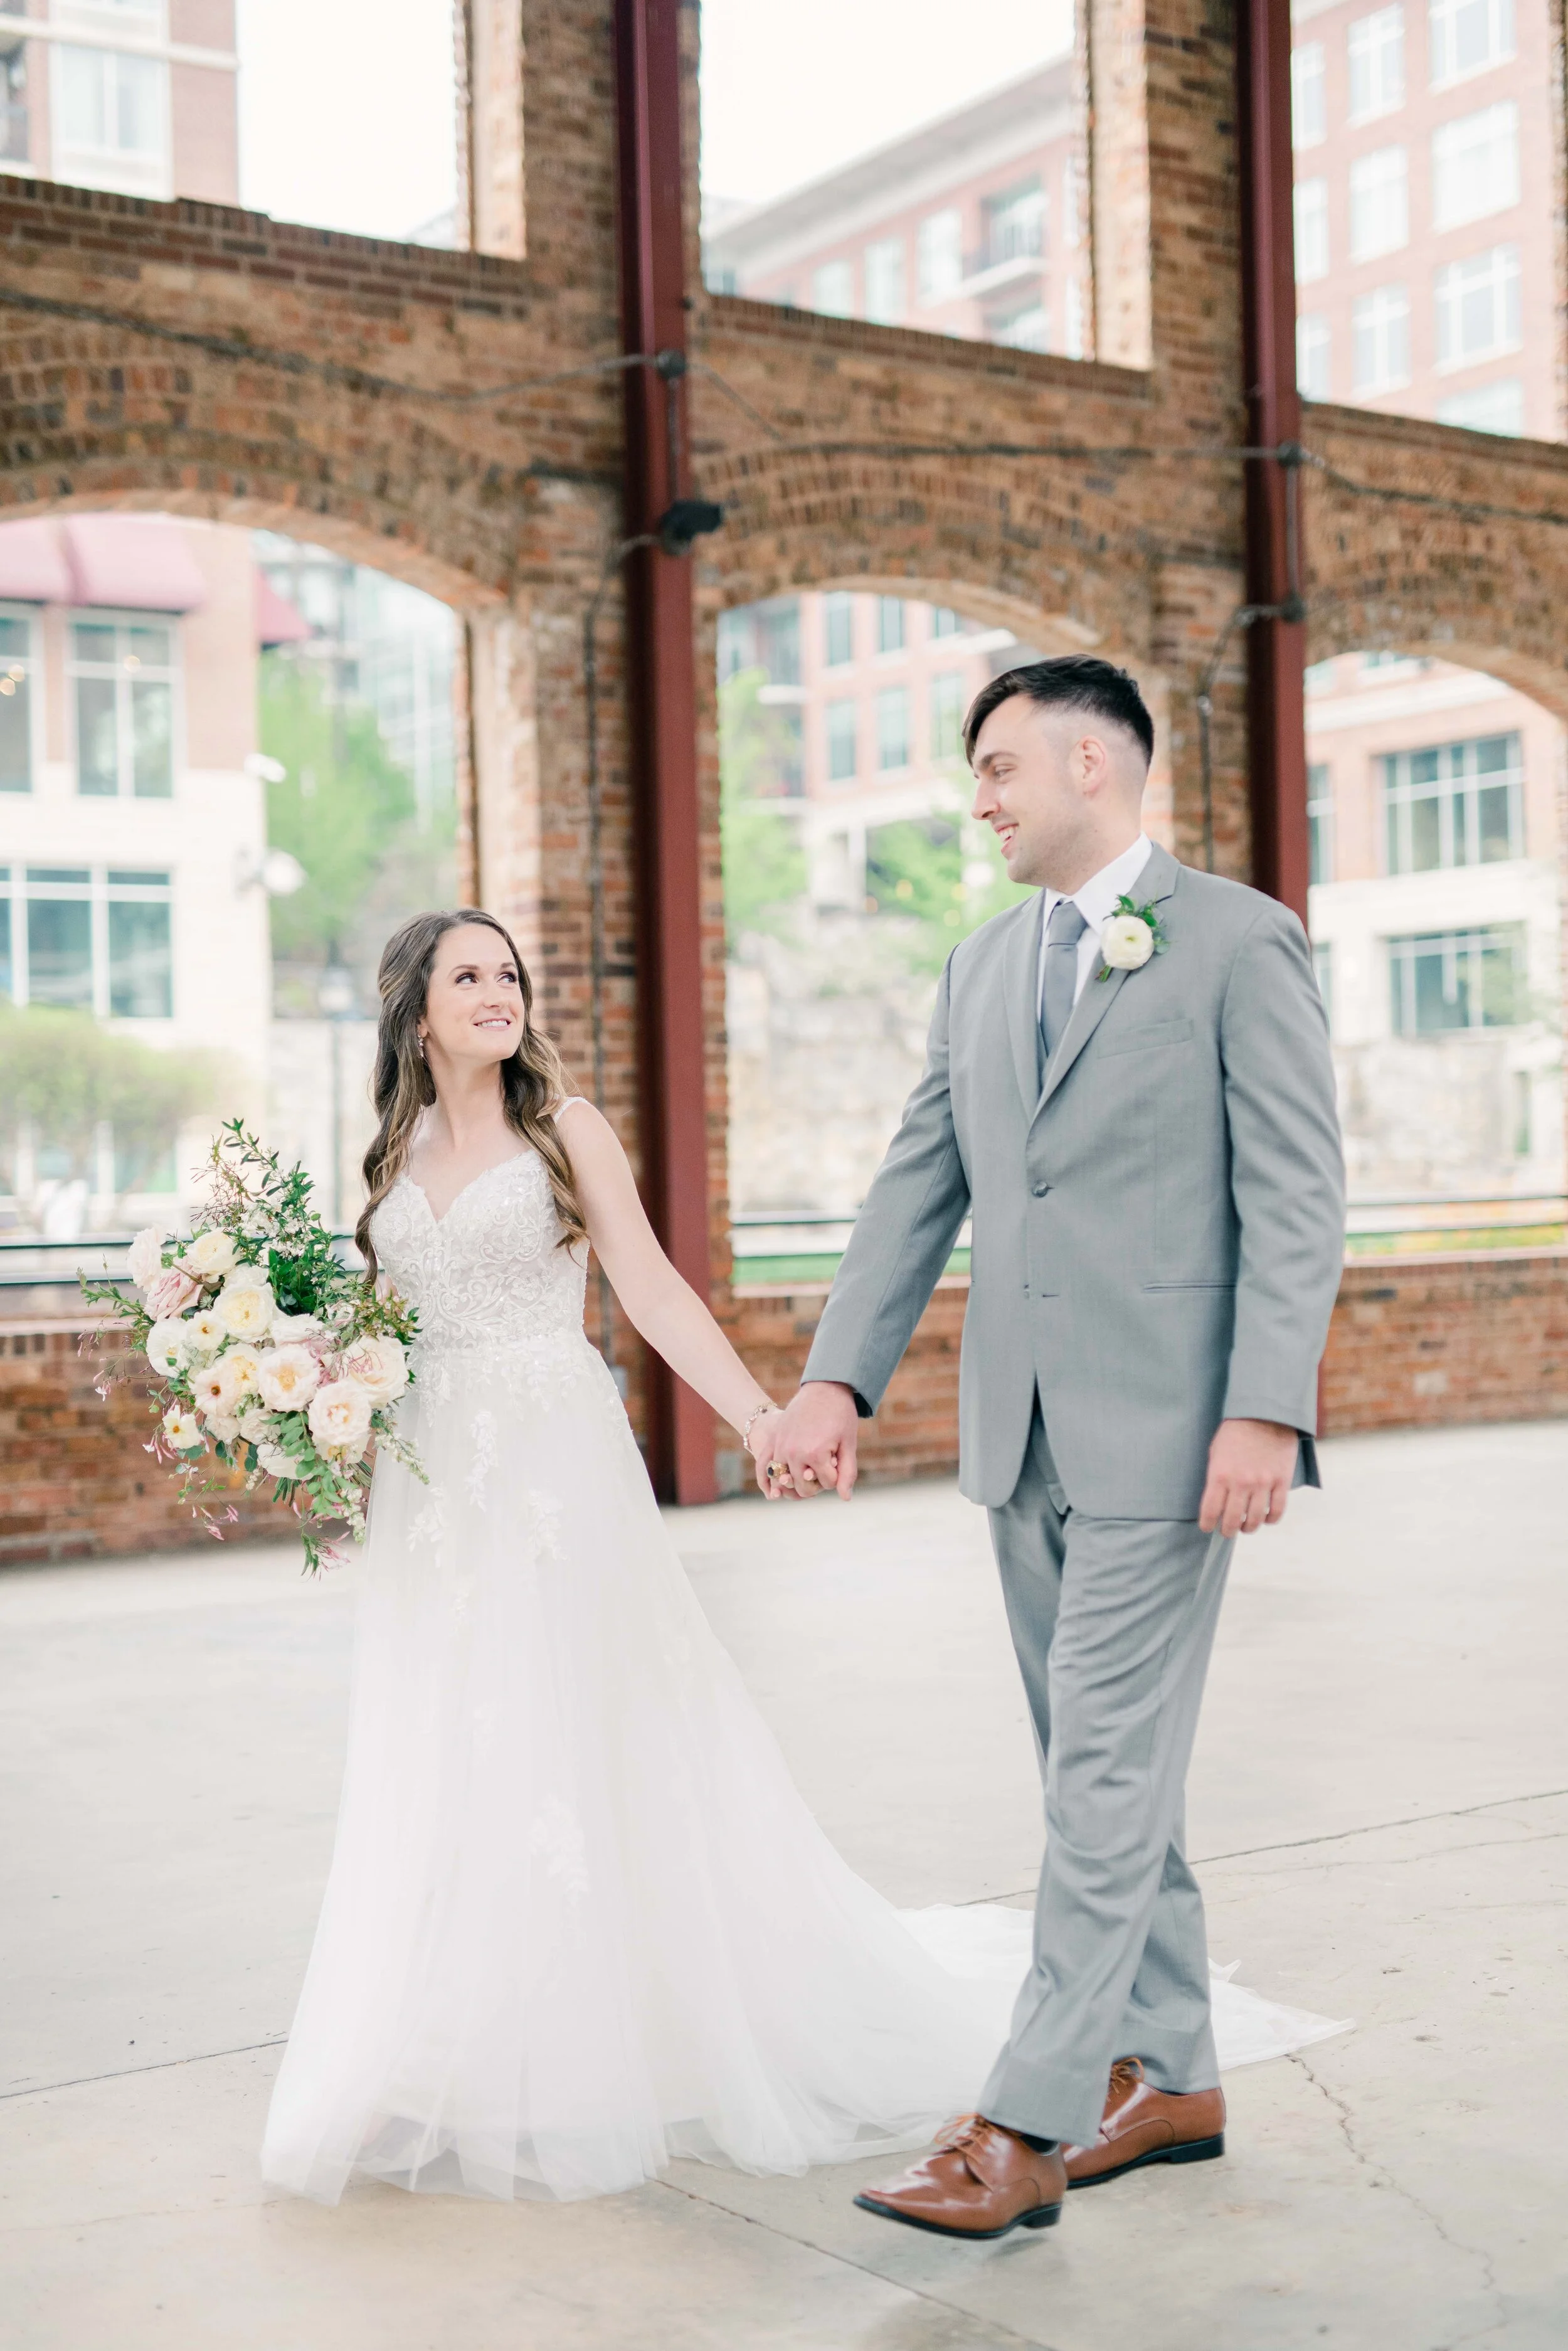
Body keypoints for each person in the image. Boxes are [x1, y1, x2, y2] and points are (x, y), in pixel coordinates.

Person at [260, 906, 1024, 2206]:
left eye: (508, 972)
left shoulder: (567, 1128)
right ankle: (456, 2033)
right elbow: (382, 1328)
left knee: (582, 1725)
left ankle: (602, 2038)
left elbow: (653, 1288)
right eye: (468, 975)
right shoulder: (392, 1147)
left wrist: (760, 1416)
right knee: (451, 1735)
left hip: (555, 1469)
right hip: (435, 1484)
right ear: (415, 1009)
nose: (498, 991)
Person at [770, 655, 1345, 2239]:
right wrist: (836, 1382)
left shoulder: (1238, 939)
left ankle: (1020, 2120)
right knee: (1105, 1778)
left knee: (1096, 1770)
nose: (978, 799)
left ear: (1096, 765)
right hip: (1013, 1439)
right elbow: (918, 1185)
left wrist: (1263, 1403)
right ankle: (1174, 2074)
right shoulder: (974, 966)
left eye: (999, 766)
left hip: (1171, 1439)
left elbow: (1296, 1193)